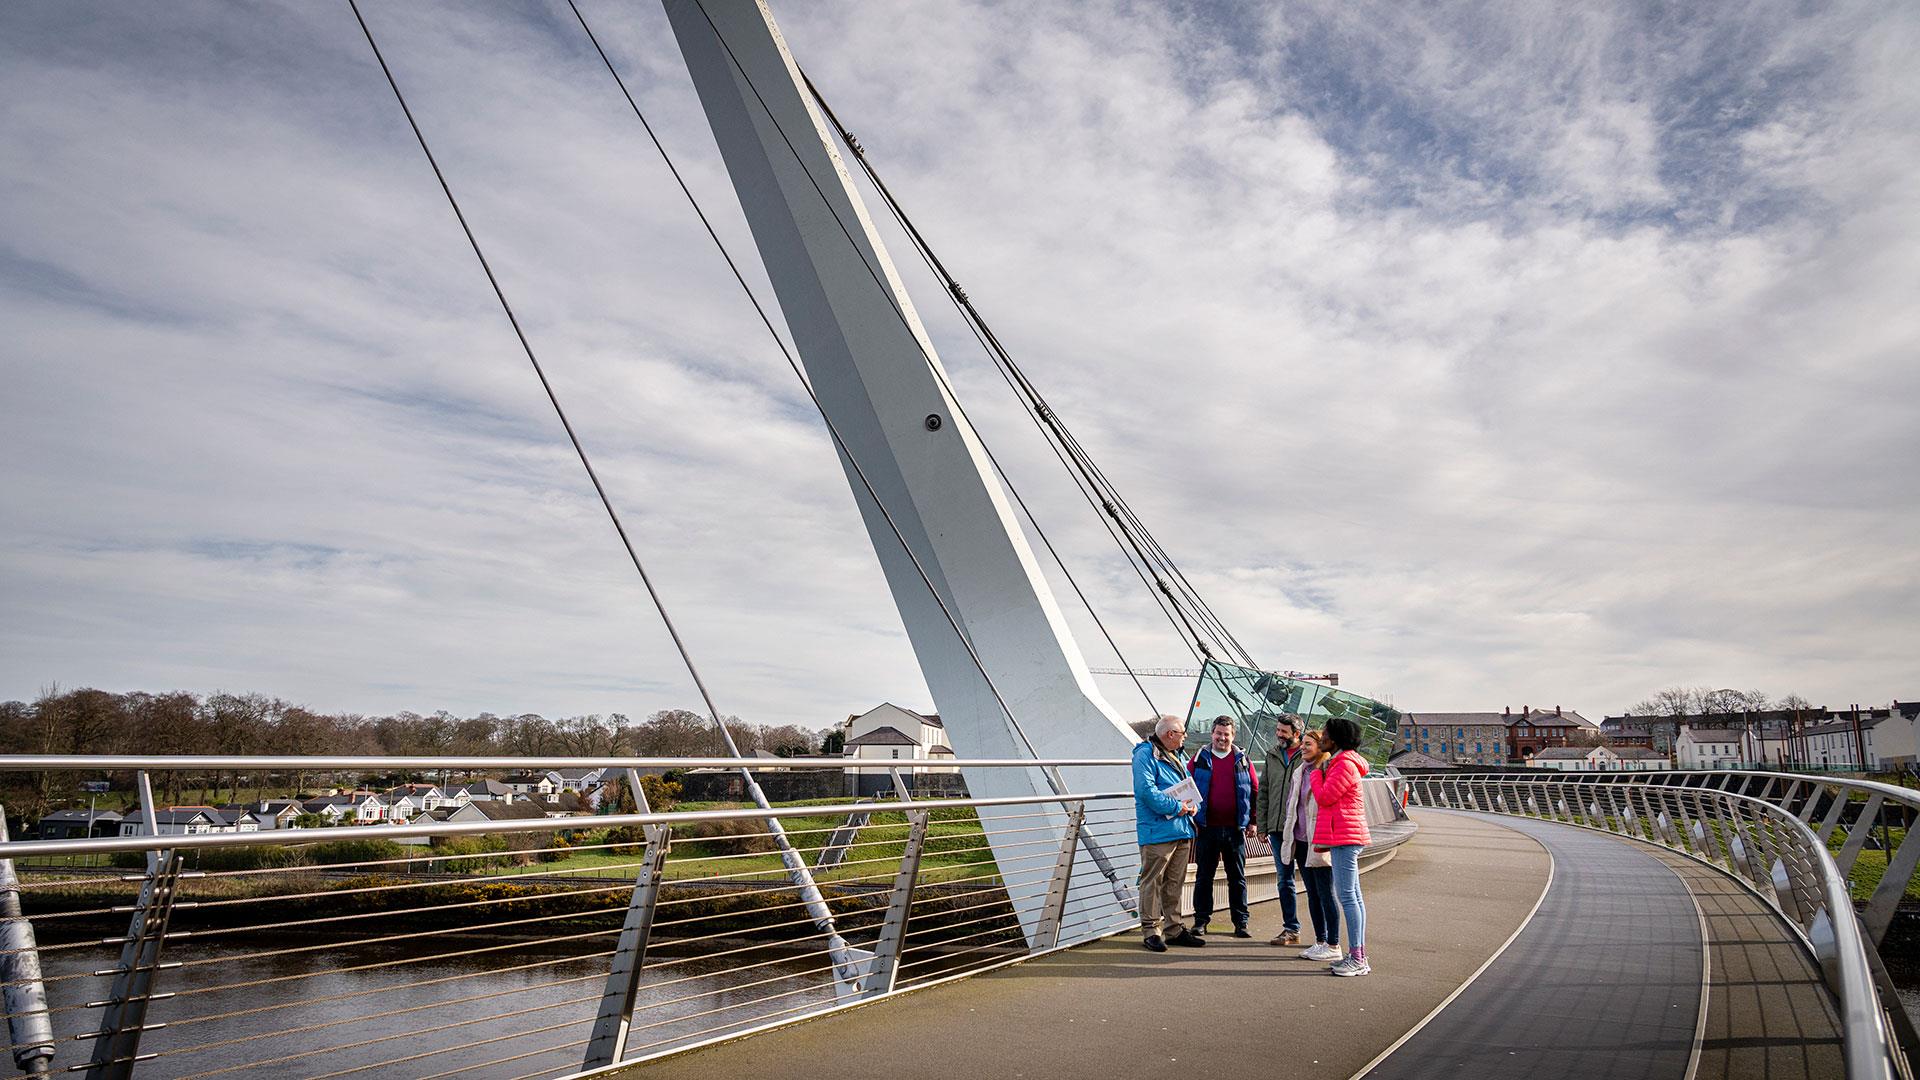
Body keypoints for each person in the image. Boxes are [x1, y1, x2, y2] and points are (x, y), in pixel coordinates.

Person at [1132, 714, 1202, 952]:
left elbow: (1188, 786)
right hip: (1158, 830)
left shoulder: (1177, 755)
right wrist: (1176, 807)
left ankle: (1174, 928)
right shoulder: (1145, 755)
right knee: (1152, 880)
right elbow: (1145, 791)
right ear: (1170, 734)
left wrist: (1193, 806)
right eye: (1183, 733)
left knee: (1174, 881)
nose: (1185, 736)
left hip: (1181, 827)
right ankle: (1151, 930)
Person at [1310, 715, 1372, 976]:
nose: (1320, 737)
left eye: (1324, 734)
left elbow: (1325, 797)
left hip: (1345, 836)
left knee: (1348, 897)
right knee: (1353, 896)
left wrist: (1315, 774)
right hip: (1345, 835)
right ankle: (1358, 955)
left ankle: (1357, 958)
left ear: (1334, 739)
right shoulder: (1343, 762)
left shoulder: (1343, 764)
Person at [1187, 715, 1259, 938]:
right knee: (1204, 876)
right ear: (1212, 734)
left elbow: (1254, 790)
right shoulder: (1199, 758)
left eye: (1226, 734)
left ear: (1233, 736)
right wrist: (1191, 819)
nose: (1222, 738)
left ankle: (1241, 922)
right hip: (1206, 828)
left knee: (1237, 877)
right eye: (1218, 733)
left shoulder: (1242, 759)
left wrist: (1253, 821)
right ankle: (1201, 921)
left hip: (1235, 829)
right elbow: (1186, 787)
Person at [1287, 730, 1341, 961]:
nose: (1302, 747)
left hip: (1319, 840)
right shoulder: (1300, 771)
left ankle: (1334, 944)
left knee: (1326, 893)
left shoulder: (1327, 770)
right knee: (1312, 893)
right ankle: (1320, 941)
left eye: (1308, 744)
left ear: (1321, 747)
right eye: (1303, 744)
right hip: (1300, 840)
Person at [1253, 714, 1305, 945]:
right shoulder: (1272, 755)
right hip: (1277, 830)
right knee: (1284, 880)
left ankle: (1324, 937)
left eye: (1284, 731)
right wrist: (1262, 826)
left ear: (1297, 734)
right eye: (1278, 730)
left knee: (1313, 882)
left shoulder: (1308, 756)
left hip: (1302, 830)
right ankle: (1291, 929)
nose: (1279, 734)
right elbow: (1263, 792)